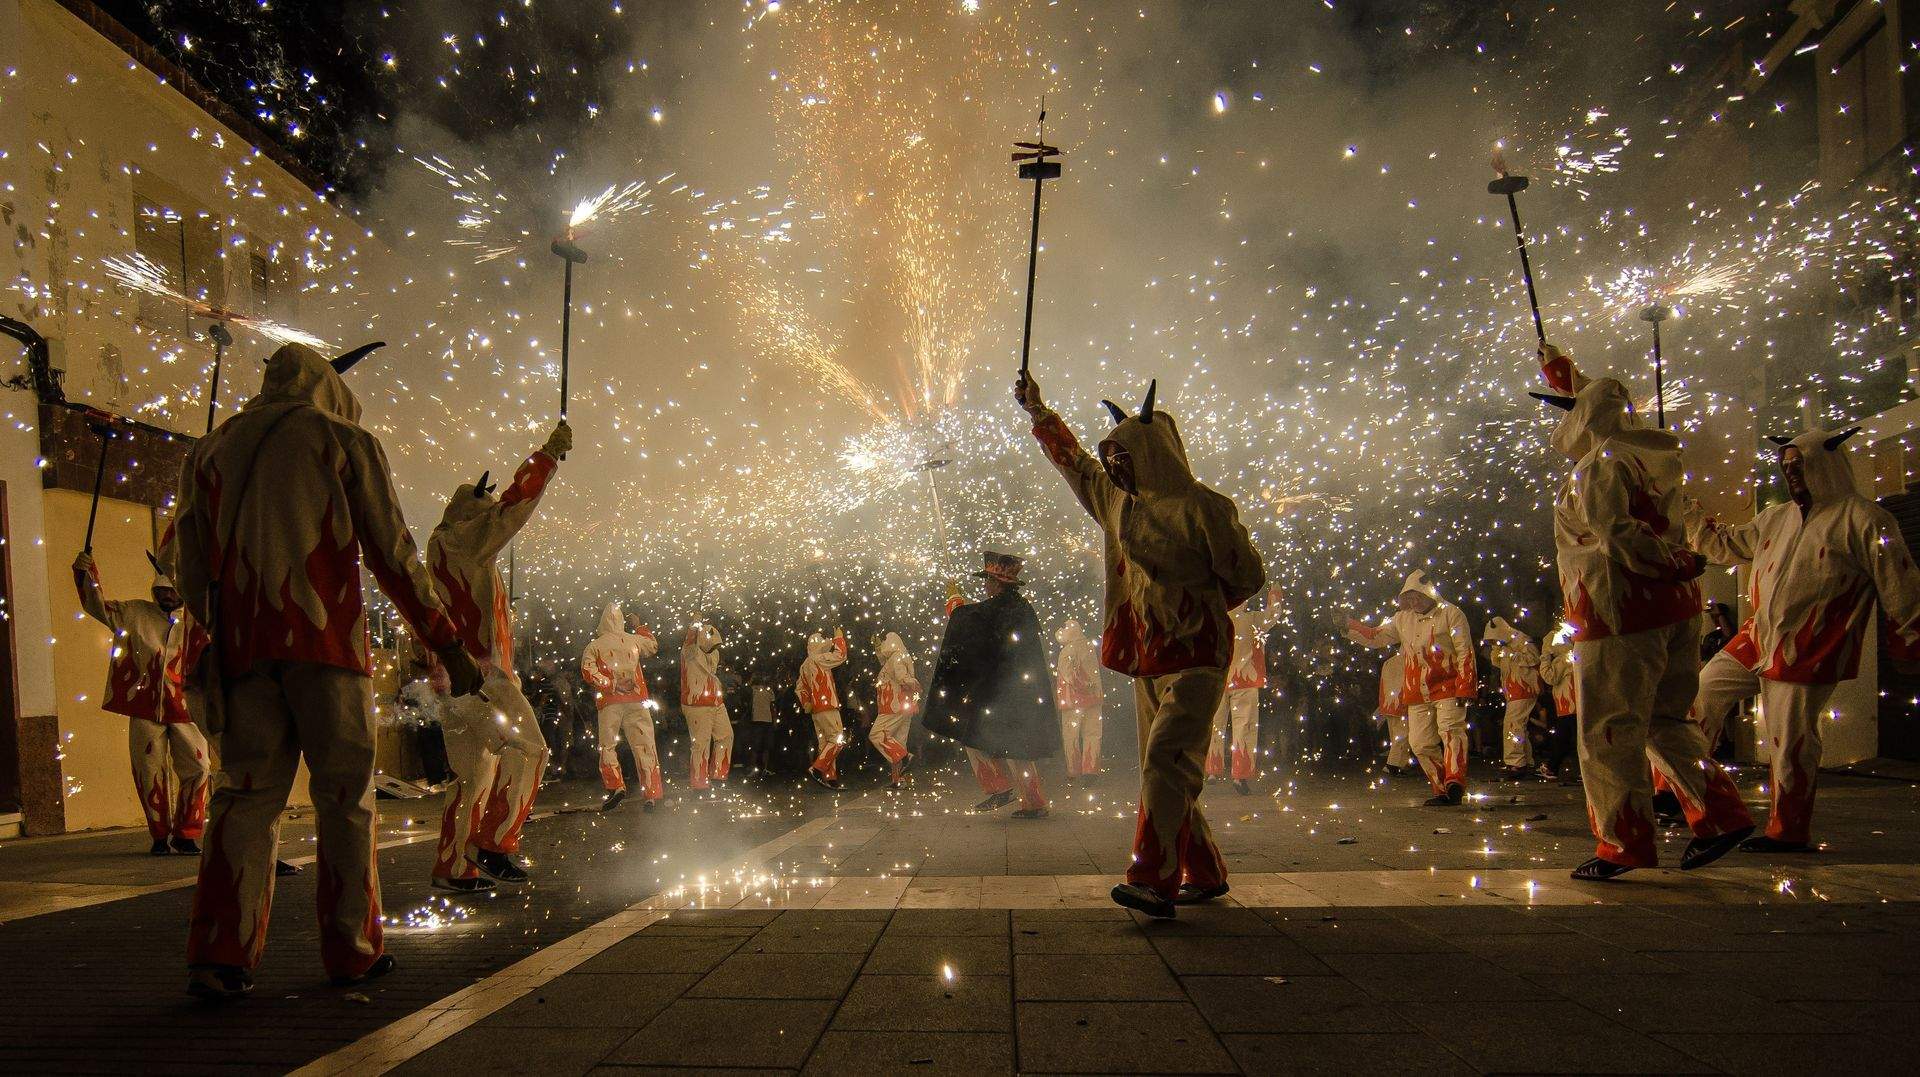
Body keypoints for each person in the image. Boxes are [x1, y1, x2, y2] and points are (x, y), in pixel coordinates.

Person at [174, 341, 481, 1000]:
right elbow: (392, 552)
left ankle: (219, 953)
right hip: (325, 646)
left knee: (243, 795)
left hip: (242, 653)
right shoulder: (343, 438)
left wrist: (220, 629)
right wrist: (446, 641)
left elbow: (190, 566)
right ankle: (353, 948)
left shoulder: (209, 450)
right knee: (346, 796)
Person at [1016, 374, 1264, 919]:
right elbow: (1076, 465)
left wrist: (1193, 609)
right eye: (1113, 456)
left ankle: (1153, 878)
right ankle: (1205, 870)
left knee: (1163, 760)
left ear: (1153, 453)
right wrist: (1039, 413)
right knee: (1169, 765)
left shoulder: (1203, 508)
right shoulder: (1116, 502)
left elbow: (1247, 575)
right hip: (1149, 657)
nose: (1114, 466)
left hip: (1197, 656)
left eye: (1124, 455)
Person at [1535, 342, 1752, 880]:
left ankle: (1624, 843)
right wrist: (1567, 375)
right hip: (1675, 612)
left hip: (1619, 610)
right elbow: (1604, 398)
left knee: (1606, 732)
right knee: (1666, 720)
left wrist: (1673, 562)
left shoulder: (1597, 466)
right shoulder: (1655, 457)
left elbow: (1618, 536)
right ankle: (1721, 814)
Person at [1685, 426, 1920, 852]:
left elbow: (1900, 585)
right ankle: (1683, 788)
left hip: (1810, 645)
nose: (1791, 474)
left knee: (1789, 738)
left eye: (1799, 465)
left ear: (1827, 464)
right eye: (1786, 467)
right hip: (1758, 637)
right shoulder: (1776, 517)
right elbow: (1726, 545)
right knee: (1698, 696)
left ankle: (1788, 829)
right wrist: (1686, 514)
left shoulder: (1863, 519)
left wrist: (1908, 640)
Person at [425, 422, 569, 891]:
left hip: (449, 683)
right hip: (483, 676)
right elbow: (512, 507)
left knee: (471, 777)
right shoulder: (465, 539)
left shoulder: (440, 549)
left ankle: (453, 866)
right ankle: (494, 843)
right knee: (530, 750)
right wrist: (545, 457)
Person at [73, 548, 210, 856]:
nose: (165, 597)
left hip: (187, 708)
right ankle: (159, 836)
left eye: (170, 592)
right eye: (160, 592)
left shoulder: (197, 620)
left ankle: (187, 833)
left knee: (200, 767)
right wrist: (86, 574)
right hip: (144, 706)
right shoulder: (133, 612)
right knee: (149, 770)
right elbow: (96, 606)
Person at [922, 550, 1062, 819]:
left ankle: (1008, 790)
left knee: (981, 738)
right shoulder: (1018, 606)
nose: (985, 585)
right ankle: (1026, 798)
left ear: (997, 583)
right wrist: (961, 608)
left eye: (988, 580)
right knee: (1010, 745)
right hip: (1015, 690)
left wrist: (955, 606)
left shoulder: (1003, 607)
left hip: (1004, 691)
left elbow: (973, 623)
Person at [1343, 571, 1475, 805]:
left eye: (1418, 597)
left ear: (1429, 593)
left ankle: (1455, 781)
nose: (1414, 602)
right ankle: (1442, 786)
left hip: (1448, 686)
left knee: (1451, 731)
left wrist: (1465, 687)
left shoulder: (1452, 614)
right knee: (1419, 743)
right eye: (1410, 597)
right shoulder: (1402, 618)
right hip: (1417, 692)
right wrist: (1349, 626)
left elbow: (1465, 651)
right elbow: (1375, 637)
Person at [581, 602, 661, 811]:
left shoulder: (595, 645)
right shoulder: (633, 640)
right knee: (644, 745)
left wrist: (611, 684)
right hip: (637, 701)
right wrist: (640, 626)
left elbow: (588, 671)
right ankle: (650, 795)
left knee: (608, 745)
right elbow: (652, 646)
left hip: (610, 703)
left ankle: (616, 786)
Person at [1207, 589, 1284, 795]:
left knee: (1214, 726)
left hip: (1218, 679)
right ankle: (1239, 776)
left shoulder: (1215, 619)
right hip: (1244, 680)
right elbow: (1274, 613)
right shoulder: (1253, 619)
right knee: (1245, 728)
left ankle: (1212, 771)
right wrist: (1275, 590)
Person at [1483, 616, 1543, 780]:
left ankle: (1516, 763)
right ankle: (1526, 762)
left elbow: (1534, 659)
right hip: (1513, 690)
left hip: (1524, 688)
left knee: (1513, 725)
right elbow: (1496, 662)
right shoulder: (1504, 645)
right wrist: (1497, 650)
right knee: (1518, 725)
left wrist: (1510, 654)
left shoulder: (1522, 641)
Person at [680, 620, 735, 794]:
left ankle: (718, 776)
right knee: (701, 744)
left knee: (726, 736)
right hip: (696, 703)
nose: (714, 648)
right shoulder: (689, 651)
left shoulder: (714, 654)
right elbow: (689, 641)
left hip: (716, 701)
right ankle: (699, 784)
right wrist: (694, 625)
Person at [797, 629, 849, 788]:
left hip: (815, 710)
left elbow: (800, 688)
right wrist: (839, 637)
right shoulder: (819, 658)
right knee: (838, 739)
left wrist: (806, 702)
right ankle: (817, 769)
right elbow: (841, 656)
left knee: (826, 744)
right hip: (827, 705)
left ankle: (830, 779)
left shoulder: (805, 664)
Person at [1054, 619, 1104, 783]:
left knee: (1071, 737)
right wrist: (1091, 688)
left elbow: (1069, 676)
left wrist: (1083, 686)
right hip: (1093, 699)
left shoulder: (1067, 650)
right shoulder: (1089, 646)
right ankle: (1090, 771)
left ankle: (1073, 771)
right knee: (1092, 735)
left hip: (1072, 701)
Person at [870, 632, 920, 788]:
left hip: (893, 706)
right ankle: (898, 780)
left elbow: (901, 677)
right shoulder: (897, 657)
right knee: (897, 742)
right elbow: (887, 665)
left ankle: (905, 757)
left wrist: (913, 685)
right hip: (902, 705)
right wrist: (878, 647)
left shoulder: (896, 657)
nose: (884, 642)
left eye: (885, 640)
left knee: (877, 735)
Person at [1538, 631, 1579, 783]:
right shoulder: (1574, 655)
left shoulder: (1563, 659)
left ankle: (1552, 768)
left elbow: (1549, 677)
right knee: (1569, 738)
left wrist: (1545, 657)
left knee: (1564, 739)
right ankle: (1553, 767)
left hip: (1569, 705)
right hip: (1574, 704)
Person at [1376, 651, 1411, 775]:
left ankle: (1401, 763)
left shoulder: (1388, 663)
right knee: (1403, 734)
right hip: (1400, 701)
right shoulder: (1406, 660)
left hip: (1389, 702)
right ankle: (1393, 764)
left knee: (1396, 734)